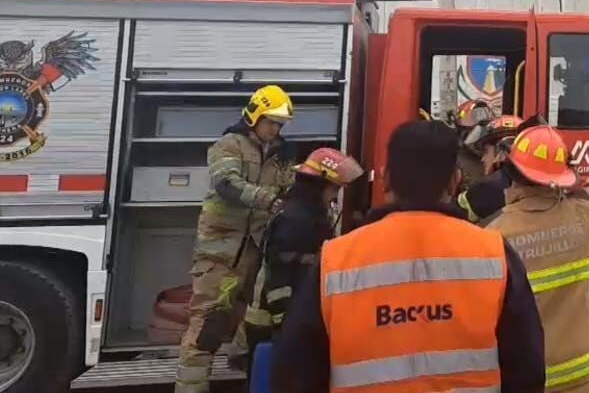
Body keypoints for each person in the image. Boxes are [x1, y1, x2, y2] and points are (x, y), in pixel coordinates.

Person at [271, 120, 545, 393]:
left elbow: (295, 374)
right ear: (454, 182)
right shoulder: (495, 255)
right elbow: (527, 371)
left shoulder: (334, 261)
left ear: (387, 178)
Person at [489, 126, 589, 393]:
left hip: (526, 380)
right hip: (583, 376)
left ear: (511, 173)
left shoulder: (492, 235)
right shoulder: (584, 214)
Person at [175, 85, 296, 393]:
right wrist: (268, 200)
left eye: (280, 124)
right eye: (271, 121)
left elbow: (289, 188)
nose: (275, 129)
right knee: (208, 327)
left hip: (256, 254)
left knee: (253, 325)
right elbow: (227, 183)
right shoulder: (228, 145)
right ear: (254, 115)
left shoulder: (280, 156)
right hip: (221, 255)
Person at [240, 146, 363, 364]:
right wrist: (287, 323)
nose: (334, 196)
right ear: (319, 186)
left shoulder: (308, 213)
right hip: (271, 323)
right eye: (334, 190)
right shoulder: (297, 219)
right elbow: (280, 277)